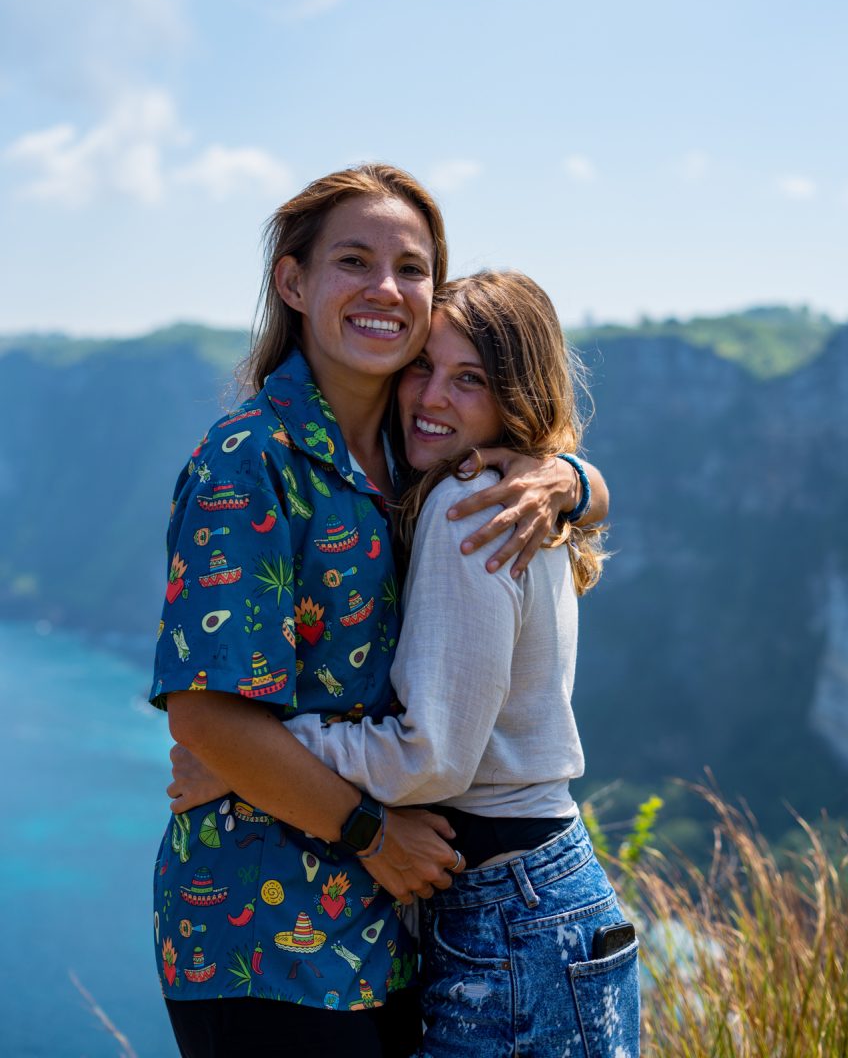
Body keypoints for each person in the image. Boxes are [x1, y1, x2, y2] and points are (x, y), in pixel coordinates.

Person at [153, 165, 608, 1058]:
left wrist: (573, 479)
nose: (385, 290)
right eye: (353, 261)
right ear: (293, 283)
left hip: (391, 935)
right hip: (262, 936)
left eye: (410, 268)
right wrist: (366, 829)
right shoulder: (251, 462)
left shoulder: (420, 467)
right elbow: (204, 710)